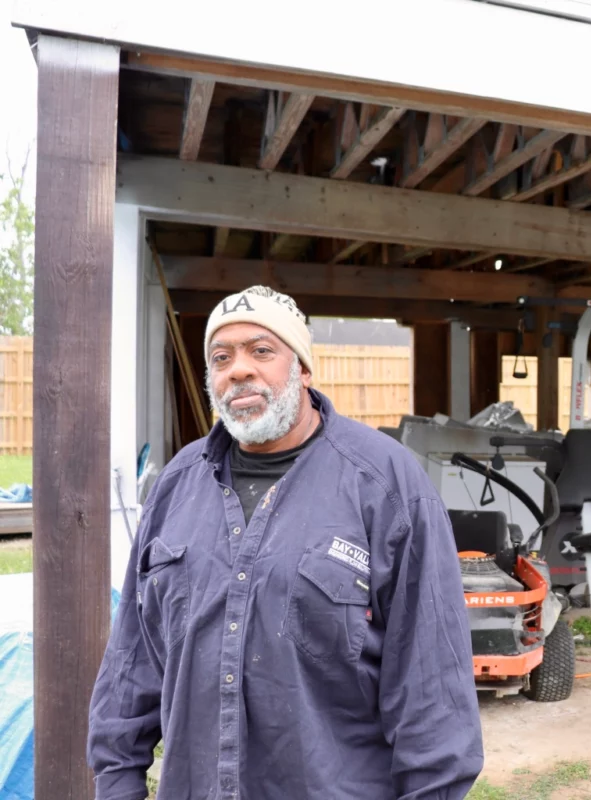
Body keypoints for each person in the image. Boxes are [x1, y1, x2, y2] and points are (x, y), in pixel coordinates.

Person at [87, 286, 483, 799]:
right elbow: (131, 661)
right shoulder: (176, 488)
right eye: (221, 358)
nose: (240, 370)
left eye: (262, 351)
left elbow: (433, 687)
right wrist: (117, 784)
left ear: (303, 369)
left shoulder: (384, 484)